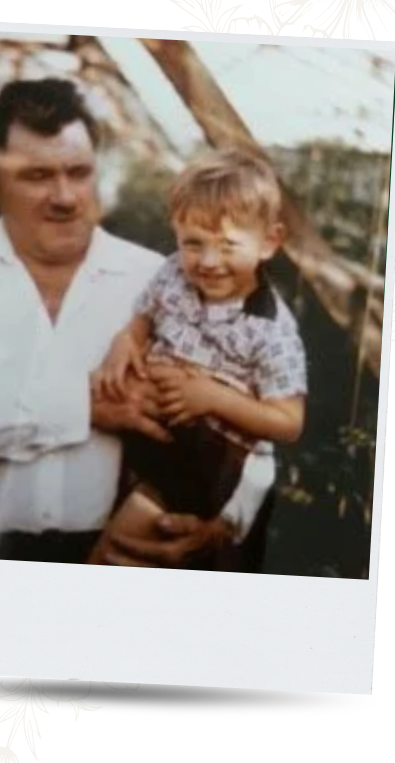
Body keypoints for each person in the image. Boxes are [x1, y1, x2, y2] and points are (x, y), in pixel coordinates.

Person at [0, 77, 270, 566]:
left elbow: (252, 431)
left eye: (78, 172)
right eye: (36, 176)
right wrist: (84, 403)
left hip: (118, 559)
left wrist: (225, 524)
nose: (65, 197)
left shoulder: (159, 281)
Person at [88, 148, 308, 569]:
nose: (208, 262)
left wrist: (212, 397)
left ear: (269, 242)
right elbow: (145, 316)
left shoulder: (270, 329)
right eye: (193, 243)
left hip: (203, 455)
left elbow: (289, 422)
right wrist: (125, 342)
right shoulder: (173, 273)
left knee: (116, 554)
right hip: (150, 427)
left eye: (227, 245)